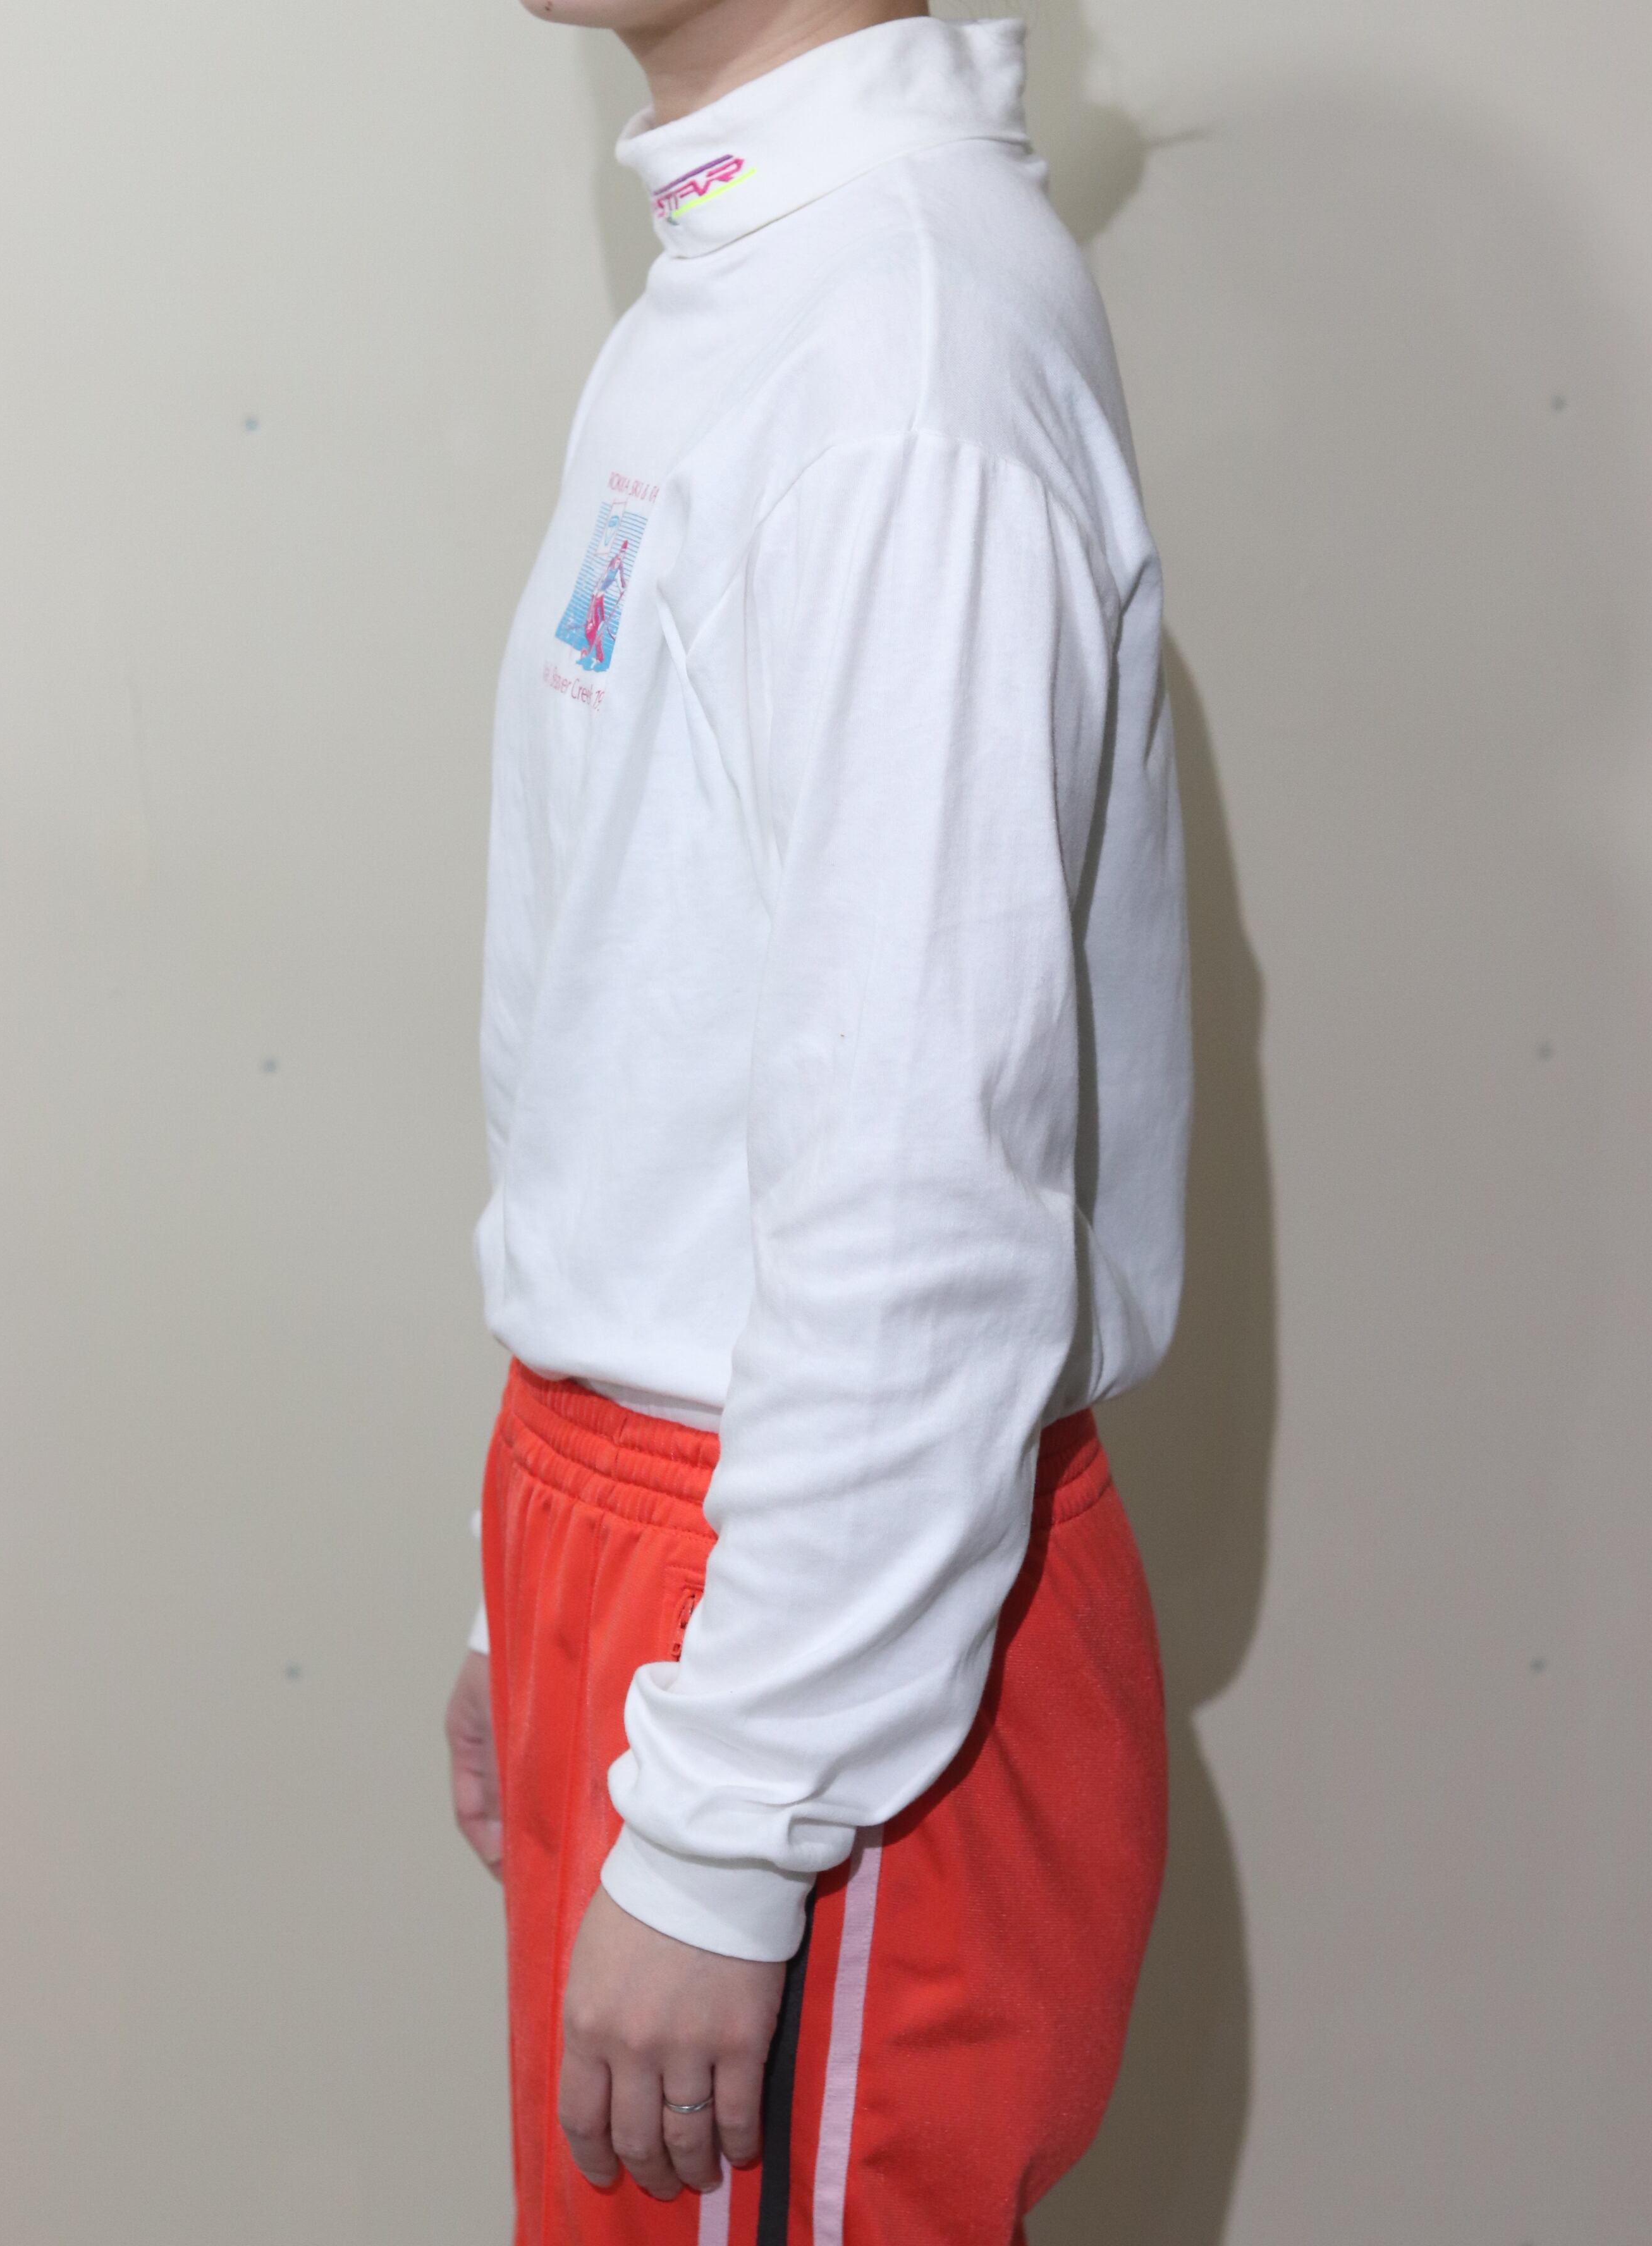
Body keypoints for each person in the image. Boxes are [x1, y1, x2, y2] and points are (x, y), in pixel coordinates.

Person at [444, 0, 1192, 2238]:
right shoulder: (755, 279)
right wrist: (516, 1590)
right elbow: (643, 1011)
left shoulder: (898, 358)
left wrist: (728, 1812)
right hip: (673, 1545)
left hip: (806, 1592)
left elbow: (923, 1180)